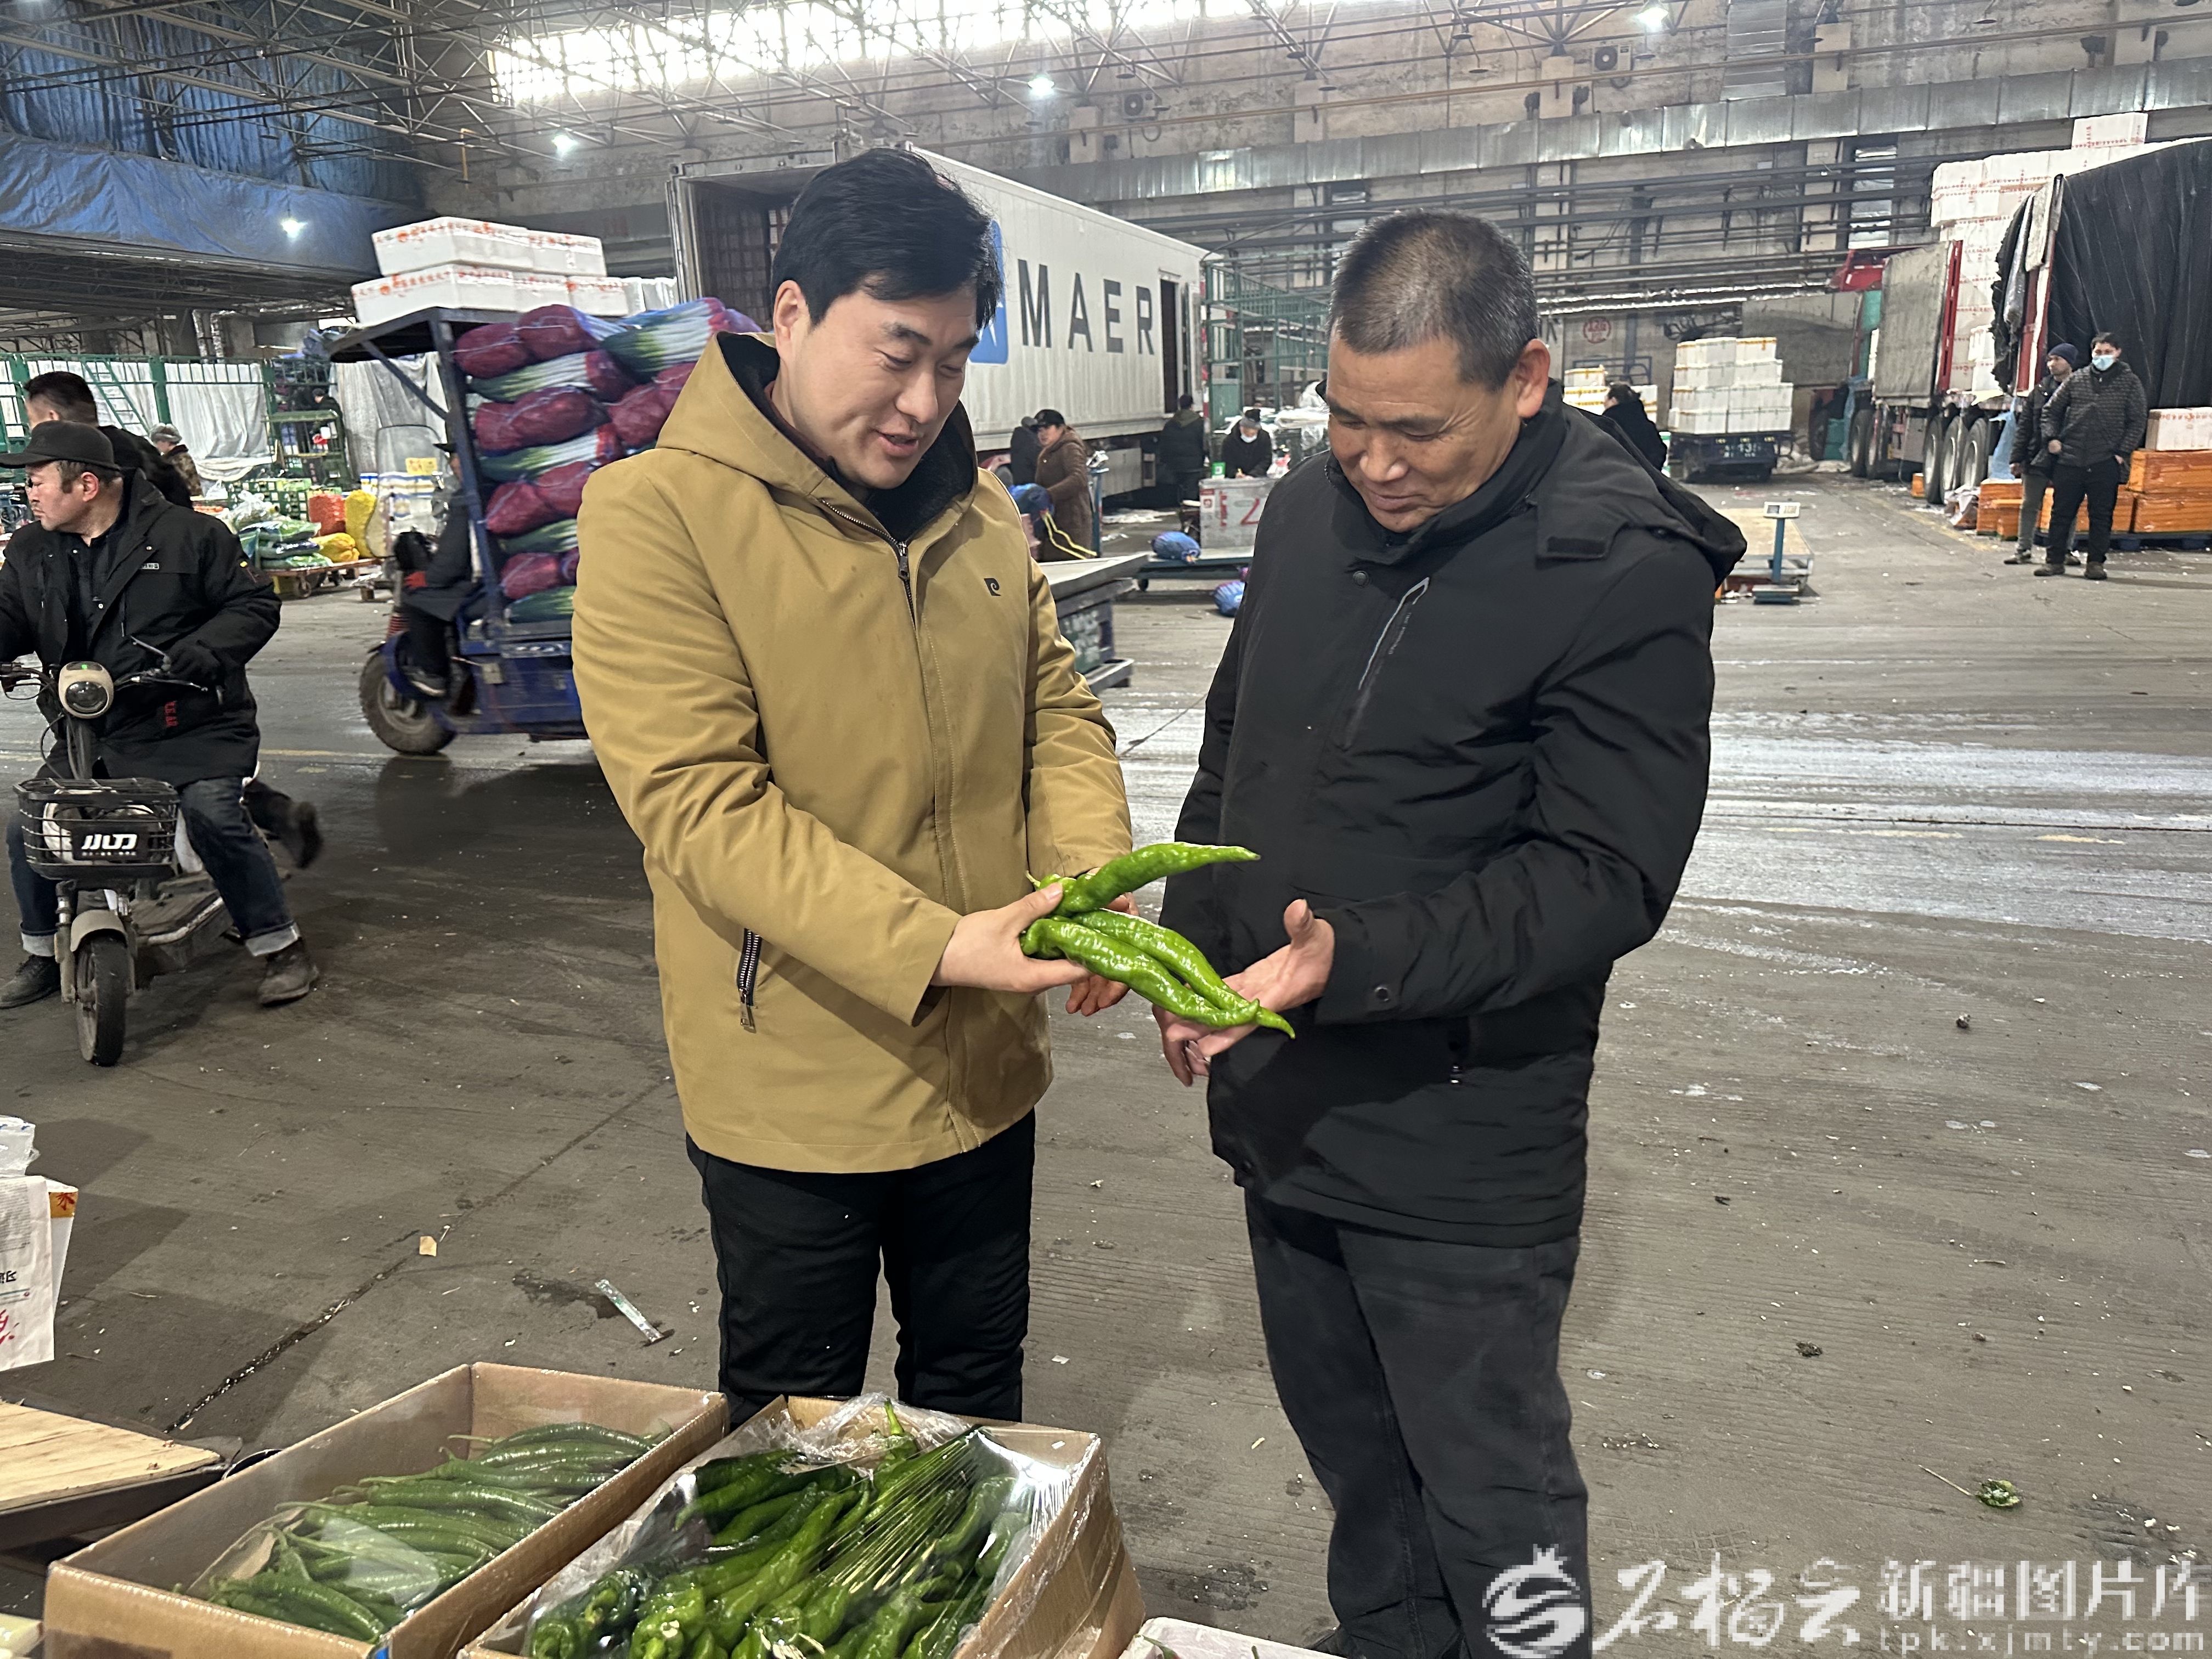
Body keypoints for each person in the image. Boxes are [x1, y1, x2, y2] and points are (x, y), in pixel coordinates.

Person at [1153, 210, 1743, 1659]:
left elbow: (1605, 875)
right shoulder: (1306, 511)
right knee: (1361, 1471)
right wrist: (1191, 946)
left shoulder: (1619, 566)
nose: (1375, 463)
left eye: (1416, 429)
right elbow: (1238, 746)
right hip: (1285, 1101)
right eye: (1348, 419)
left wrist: (1353, 957)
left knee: (1494, 1500)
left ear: (1526, 378)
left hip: (1462, 1137)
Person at [572, 148, 1132, 1420]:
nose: (923, 400)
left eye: (955, 361)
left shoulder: (979, 517)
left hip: (984, 1071)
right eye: (897, 352)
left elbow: (1055, 711)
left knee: (971, 1408)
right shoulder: (660, 515)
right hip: (796, 1087)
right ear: (791, 315)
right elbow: (700, 803)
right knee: (791, 1434)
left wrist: (1090, 873)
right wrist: (940, 947)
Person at [0, 425, 319, 1009]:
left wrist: (209, 648)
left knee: (212, 816)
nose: (31, 494)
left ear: (86, 485)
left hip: (192, 722)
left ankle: (280, 945)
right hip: (92, 731)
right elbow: (10, 619)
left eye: (38, 481)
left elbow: (254, 604)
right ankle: (43, 952)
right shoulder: (30, 550)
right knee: (31, 828)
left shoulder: (191, 536)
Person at [2037, 331, 2145, 582]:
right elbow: (2051, 411)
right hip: (2071, 458)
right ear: (2091, 353)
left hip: (2105, 460)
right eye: (2098, 352)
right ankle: (2054, 561)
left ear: (2118, 353)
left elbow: (2137, 420)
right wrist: (2052, 438)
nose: (2102, 356)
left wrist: (2121, 452)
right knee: (2061, 514)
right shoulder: (2078, 379)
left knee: (2101, 516)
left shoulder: (2130, 383)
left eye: (2108, 352)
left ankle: (2096, 563)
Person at [22, 373, 193, 509]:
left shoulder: (83, 460)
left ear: (53, 418)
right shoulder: (138, 445)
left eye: (32, 420)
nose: (32, 429)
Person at [394, 449, 477, 696]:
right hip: (492, 579)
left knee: (418, 599)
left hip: (480, 588)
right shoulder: (493, 489)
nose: (454, 466)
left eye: (457, 461)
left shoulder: (468, 498)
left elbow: (453, 562)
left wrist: (429, 578)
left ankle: (435, 675)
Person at [2004, 345, 2078, 566]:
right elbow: (2025, 427)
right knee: (2030, 504)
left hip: (2067, 457)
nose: (2052, 364)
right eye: (2050, 360)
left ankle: (2064, 550)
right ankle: (2023, 549)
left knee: (2066, 507)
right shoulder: (2040, 391)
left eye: (2057, 359)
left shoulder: (2081, 389)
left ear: (2070, 362)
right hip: (2037, 456)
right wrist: (2017, 458)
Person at [1031, 409, 1095, 552]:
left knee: (1070, 560)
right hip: (1055, 521)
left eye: (1047, 428)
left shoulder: (1069, 447)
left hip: (1072, 523)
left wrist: (1049, 494)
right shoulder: (1051, 449)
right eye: (1039, 430)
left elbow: (1079, 478)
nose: (1042, 433)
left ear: (1060, 428)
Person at [1595, 380, 1667, 471]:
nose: (1604, 404)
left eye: (1606, 400)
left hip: (1616, 477)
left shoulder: (1607, 426)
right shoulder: (1646, 426)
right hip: (1644, 477)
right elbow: (1659, 452)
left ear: (1614, 400)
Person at [1158, 392, 1210, 506]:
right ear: (1192, 406)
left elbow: (1164, 445)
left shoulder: (1170, 424)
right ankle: (1188, 509)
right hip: (1194, 464)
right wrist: (1207, 457)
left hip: (1175, 465)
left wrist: (1166, 461)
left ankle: (1180, 506)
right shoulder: (1199, 423)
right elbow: (1205, 444)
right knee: (1191, 489)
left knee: (1178, 488)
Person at [148, 425, 205, 498]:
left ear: (167, 441)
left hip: (185, 500)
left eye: (157, 442)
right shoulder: (171, 458)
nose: (156, 445)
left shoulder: (180, 459)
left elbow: (190, 484)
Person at [1221, 407, 1274, 477]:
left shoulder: (1264, 438)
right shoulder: (1229, 441)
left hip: (1258, 477)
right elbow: (1227, 461)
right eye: (1246, 433)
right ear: (1241, 428)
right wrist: (1235, 473)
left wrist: (1254, 474)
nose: (1249, 436)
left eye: (1253, 434)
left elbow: (1266, 459)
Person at [1007, 415, 1042, 487]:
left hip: (1019, 480)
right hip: (1031, 481)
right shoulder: (1031, 440)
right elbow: (1037, 461)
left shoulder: (1018, 436)